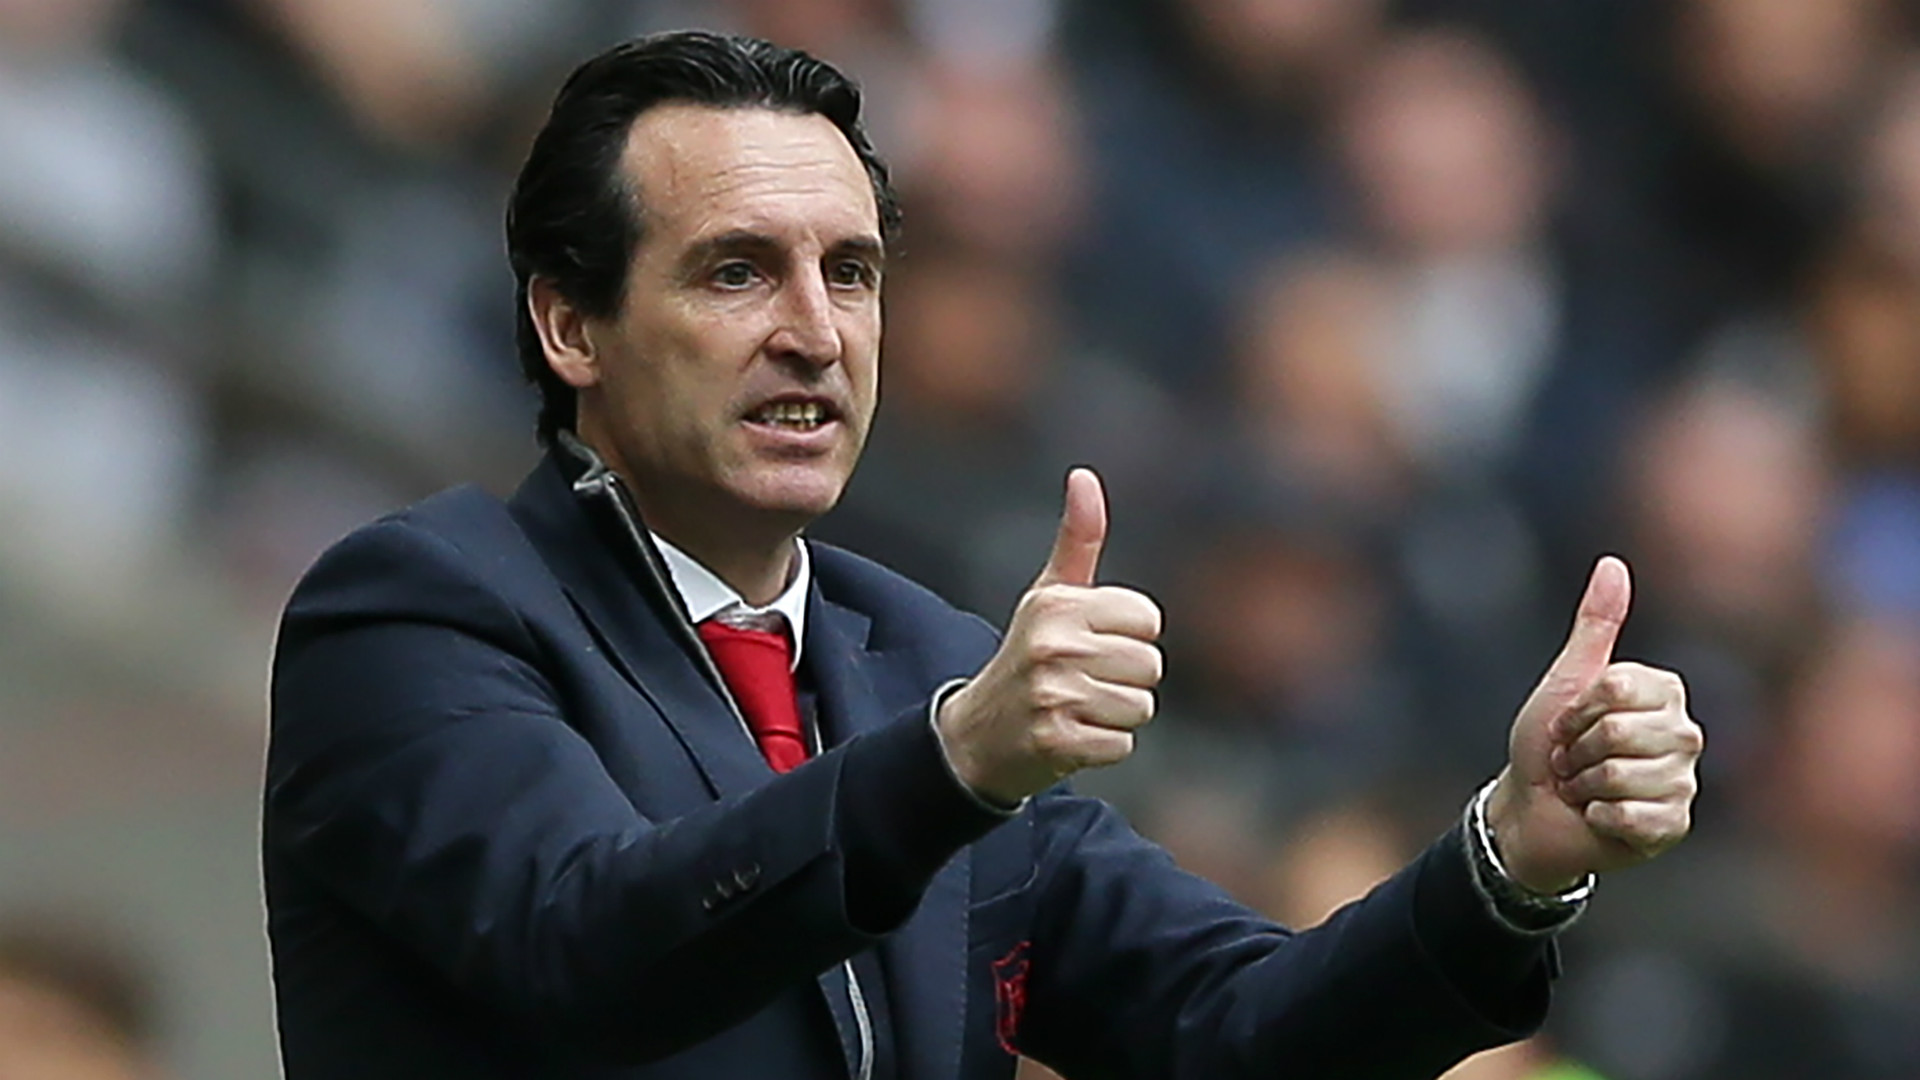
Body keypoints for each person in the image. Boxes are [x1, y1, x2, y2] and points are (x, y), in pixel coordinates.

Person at [262, 30, 1703, 1079]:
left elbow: (1232, 1037)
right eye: (737, 270)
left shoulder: (928, 664)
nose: (815, 331)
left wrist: (1509, 862)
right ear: (571, 325)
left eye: (852, 273)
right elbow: (583, 948)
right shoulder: (419, 612)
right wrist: (950, 765)